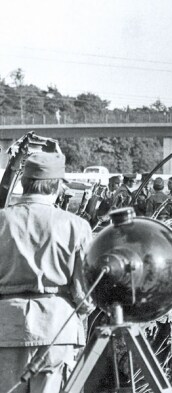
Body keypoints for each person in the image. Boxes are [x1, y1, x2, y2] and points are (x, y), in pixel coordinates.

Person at [0, 152, 94, 392]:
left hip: (5, 328)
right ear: (59, 186)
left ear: (23, 182)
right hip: (58, 328)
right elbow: (85, 293)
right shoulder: (76, 225)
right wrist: (79, 315)